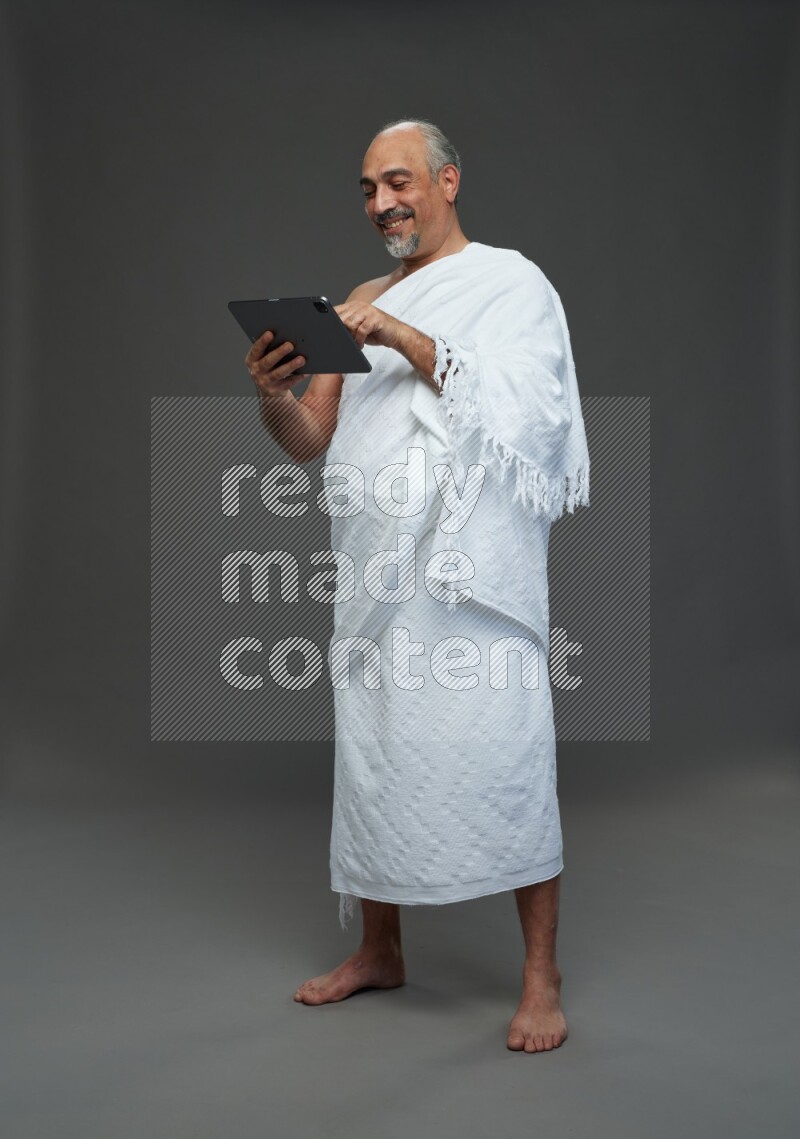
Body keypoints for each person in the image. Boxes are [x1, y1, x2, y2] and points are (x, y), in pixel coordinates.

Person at [245, 118, 590, 1053]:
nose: (381, 203)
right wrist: (276, 390)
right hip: (376, 569)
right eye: (366, 189)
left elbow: (536, 411)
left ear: (447, 181)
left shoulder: (511, 283)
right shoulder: (352, 299)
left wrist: (401, 331)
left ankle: (540, 974)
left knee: (509, 751)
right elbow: (309, 441)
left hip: (472, 573)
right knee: (378, 753)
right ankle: (381, 949)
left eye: (397, 182)